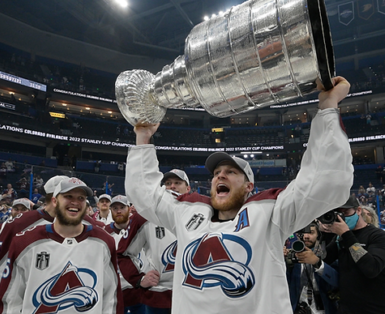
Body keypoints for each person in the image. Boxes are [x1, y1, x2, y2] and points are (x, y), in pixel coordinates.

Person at [125, 76, 354, 313]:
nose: (220, 176)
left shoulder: (271, 212)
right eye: (216, 173)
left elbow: (326, 182)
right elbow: (145, 194)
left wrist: (328, 106)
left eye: (231, 172)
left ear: (249, 186)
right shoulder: (188, 212)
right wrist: (143, 138)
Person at [0, 177, 123, 313]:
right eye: (68, 196)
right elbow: (10, 301)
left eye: (81, 198)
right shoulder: (25, 242)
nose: (75, 202)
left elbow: (111, 297)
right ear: (54, 201)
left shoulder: (104, 242)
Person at [116, 170, 190, 313]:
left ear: (188, 188)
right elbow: (123, 253)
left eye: (177, 183)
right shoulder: (144, 216)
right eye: (168, 183)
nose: (172, 186)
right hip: (159, 295)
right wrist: (139, 279)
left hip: (194, 293)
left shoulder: (203, 214)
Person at [319, 195, 385, 314]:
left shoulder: (379, 236)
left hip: (379, 307)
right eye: (338, 214)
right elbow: (323, 259)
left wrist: (346, 235)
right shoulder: (339, 237)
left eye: (346, 212)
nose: (342, 217)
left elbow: (371, 268)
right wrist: (324, 233)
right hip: (349, 307)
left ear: (358, 210)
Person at [286, 221, 337, 314]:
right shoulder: (292, 256)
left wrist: (317, 263)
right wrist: (280, 261)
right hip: (297, 308)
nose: (306, 236)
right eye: (302, 232)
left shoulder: (328, 254)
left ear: (318, 234)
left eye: (311, 232)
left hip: (323, 308)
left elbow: (336, 281)